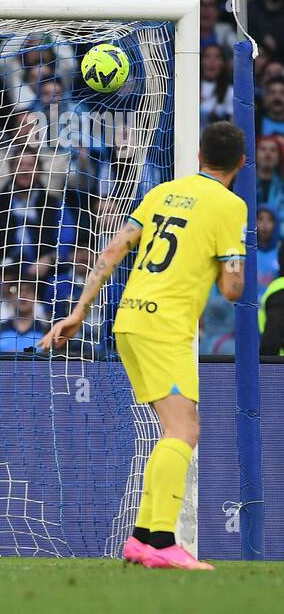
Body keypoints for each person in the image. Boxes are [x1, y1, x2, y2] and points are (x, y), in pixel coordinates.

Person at [40, 121, 248, 571]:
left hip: (129, 318)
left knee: (179, 428)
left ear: (198, 157)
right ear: (242, 163)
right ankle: (162, 541)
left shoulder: (163, 193)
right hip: (166, 324)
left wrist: (78, 312)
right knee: (184, 430)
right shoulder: (231, 207)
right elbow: (233, 289)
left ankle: (141, 540)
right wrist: (229, 263)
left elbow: (113, 250)